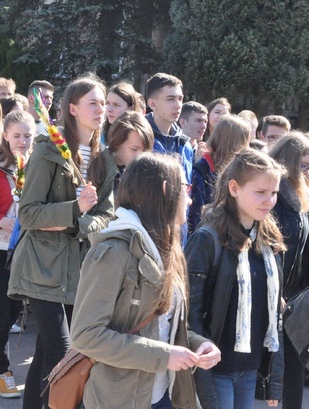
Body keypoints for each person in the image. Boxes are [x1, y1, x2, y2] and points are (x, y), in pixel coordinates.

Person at [70, 152, 221, 408]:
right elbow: (86, 335)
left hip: (163, 395)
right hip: (118, 399)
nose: (190, 198)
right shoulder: (113, 253)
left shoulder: (170, 250)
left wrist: (199, 344)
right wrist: (163, 356)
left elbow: (164, 324)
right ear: (165, 190)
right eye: (186, 188)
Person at [8, 76, 114, 407]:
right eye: (93, 103)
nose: (102, 109)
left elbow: (108, 215)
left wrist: (75, 225)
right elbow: (28, 214)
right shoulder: (47, 152)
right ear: (72, 109)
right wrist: (75, 209)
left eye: (104, 102)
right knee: (64, 355)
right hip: (42, 268)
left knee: (44, 356)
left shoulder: (103, 158)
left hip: (80, 272)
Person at [185, 149, 285, 408]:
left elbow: (276, 313)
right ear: (234, 188)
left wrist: (274, 379)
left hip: (250, 366)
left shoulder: (268, 241)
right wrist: (202, 369)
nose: (269, 200)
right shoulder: (208, 239)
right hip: (216, 366)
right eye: (260, 192)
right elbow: (190, 312)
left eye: (273, 193)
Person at [269, 132, 309, 406]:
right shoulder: (275, 197)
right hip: (278, 291)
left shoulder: (305, 197)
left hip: (299, 295)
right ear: (288, 164)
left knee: (295, 364)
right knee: (271, 368)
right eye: (305, 166)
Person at [0, 110, 35, 399]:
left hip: (28, 248)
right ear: (6, 135)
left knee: (11, 312)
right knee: (2, 312)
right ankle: (2, 371)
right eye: (17, 135)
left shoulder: (38, 164)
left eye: (27, 135)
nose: (22, 140)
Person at [188, 115, 251, 233]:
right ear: (234, 144)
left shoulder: (235, 171)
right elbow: (196, 218)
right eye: (245, 142)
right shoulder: (200, 171)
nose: (247, 148)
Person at [144, 73, 195, 183]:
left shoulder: (185, 145)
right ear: (153, 104)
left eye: (180, 99)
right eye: (170, 99)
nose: (178, 105)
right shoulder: (140, 139)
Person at [89, 111, 154, 193]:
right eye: (134, 149)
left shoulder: (141, 173)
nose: (140, 156)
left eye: (144, 151)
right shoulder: (99, 169)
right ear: (117, 142)